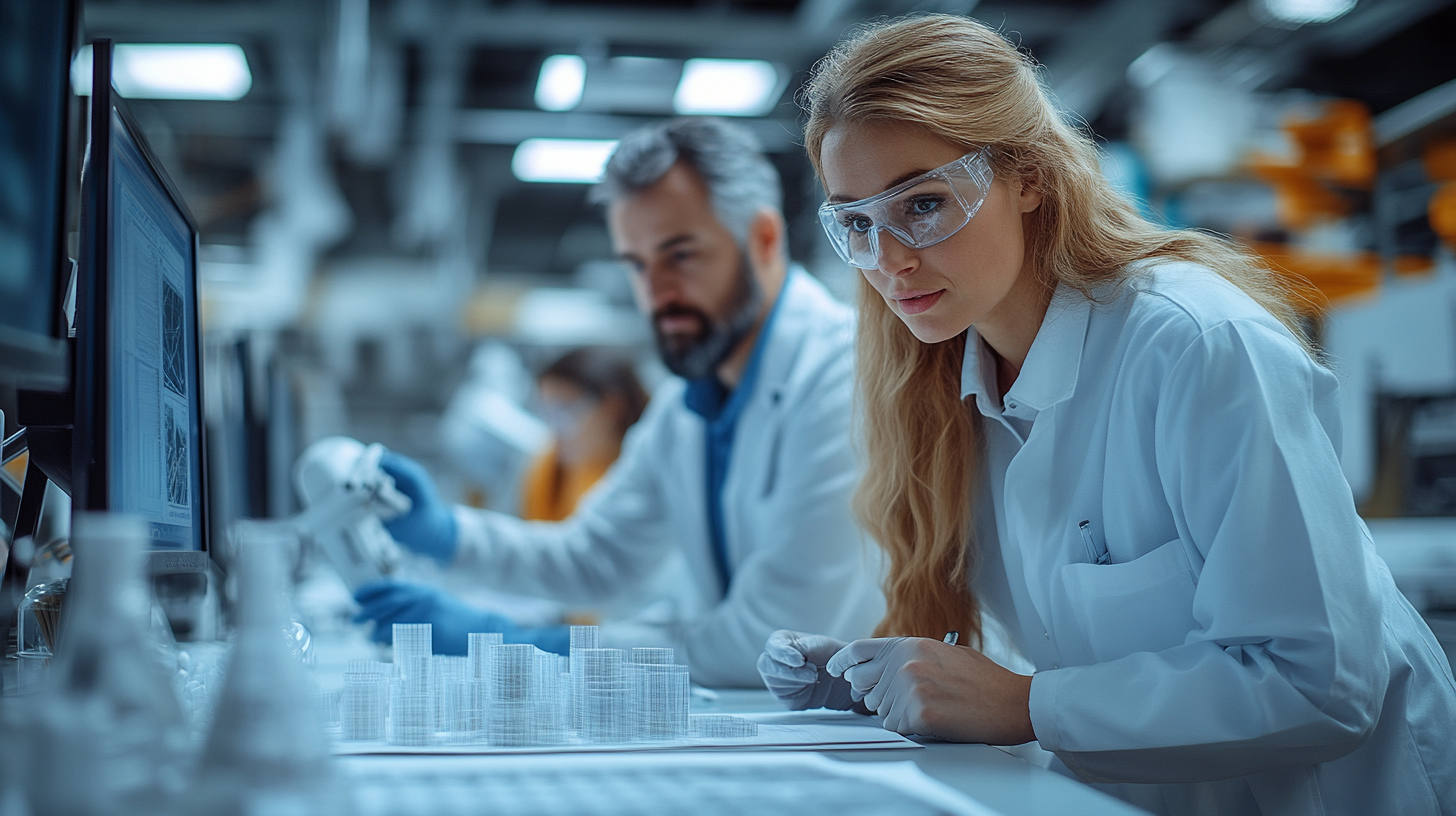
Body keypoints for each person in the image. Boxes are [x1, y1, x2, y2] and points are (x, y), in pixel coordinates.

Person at [756, 14, 1456, 815]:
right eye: (857, 223)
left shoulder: (1195, 343)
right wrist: (883, 680)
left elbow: (1318, 682)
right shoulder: (949, 385)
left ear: (1028, 178)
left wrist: (1023, 704)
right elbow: (1084, 650)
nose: (889, 260)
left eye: (922, 204)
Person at [353, 118, 884, 687]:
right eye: (636, 264)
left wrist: (520, 643)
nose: (655, 294)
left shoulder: (842, 377)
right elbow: (595, 556)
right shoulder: (686, 404)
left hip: (882, 739)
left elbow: (775, 642)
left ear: (763, 240)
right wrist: (445, 533)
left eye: (679, 256)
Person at [521, 348, 649, 522]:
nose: (555, 428)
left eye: (563, 411)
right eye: (547, 412)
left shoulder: (646, 477)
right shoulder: (549, 467)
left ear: (612, 405)